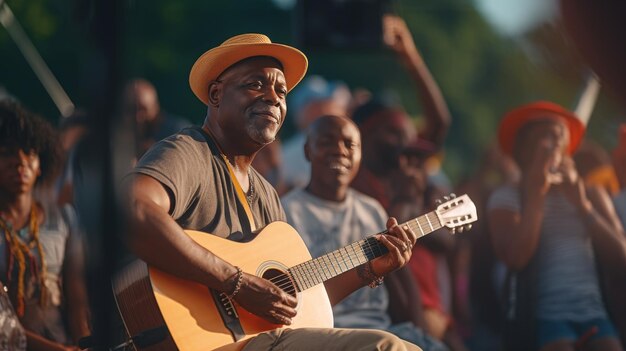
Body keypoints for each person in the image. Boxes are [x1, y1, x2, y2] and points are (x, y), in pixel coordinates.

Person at [124, 33, 422, 351]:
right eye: (255, 84)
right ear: (215, 94)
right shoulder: (189, 151)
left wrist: (367, 270)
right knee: (386, 348)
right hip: (203, 343)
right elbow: (131, 209)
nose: (273, 98)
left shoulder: (266, 193)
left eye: (281, 91)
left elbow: (294, 301)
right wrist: (235, 281)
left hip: (260, 340)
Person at [281, 114, 448, 351]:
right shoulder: (286, 212)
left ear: (361, 155)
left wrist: (420, 334)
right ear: (308, 151)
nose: (339, 150)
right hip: (321, 332)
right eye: (327, 141)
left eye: (350, 144)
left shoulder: (371, 209)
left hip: (381, 327)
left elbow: (400, 282)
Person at [487, 101, 626, 351]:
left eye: (561, 138)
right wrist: (536, 193)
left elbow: (621, 258)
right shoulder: (506, 197)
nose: (556, 145)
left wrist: (582, 204)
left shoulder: (591, 194)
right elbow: (517, 257)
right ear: (524, 148)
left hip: (597, 316)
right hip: (543, 322)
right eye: (547, 137)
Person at [0, 101, 90, 350]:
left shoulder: (63, 218)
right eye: (7, 153)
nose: (20, 163)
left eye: (29, 152)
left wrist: (84, 344)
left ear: (41, 163)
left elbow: (76, 298)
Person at [280, 75, 352, 190]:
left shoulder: (354, 148)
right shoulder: (285, 154)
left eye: (330, 107)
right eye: (316, 108)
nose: (324, 113)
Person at [123, 78, 191, 159]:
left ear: (155, 107)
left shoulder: (179, 133)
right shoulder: (123, 137)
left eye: (143, 109)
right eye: (131, 109)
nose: (138, 117)